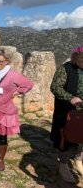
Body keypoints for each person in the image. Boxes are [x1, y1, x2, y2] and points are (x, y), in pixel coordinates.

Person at [50, 45, 83, 183]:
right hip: (69, 111)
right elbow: (55, 86)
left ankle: (79, 161)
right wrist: (70, 98)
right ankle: (63, 165)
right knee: (67, 138)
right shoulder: (66, 69)